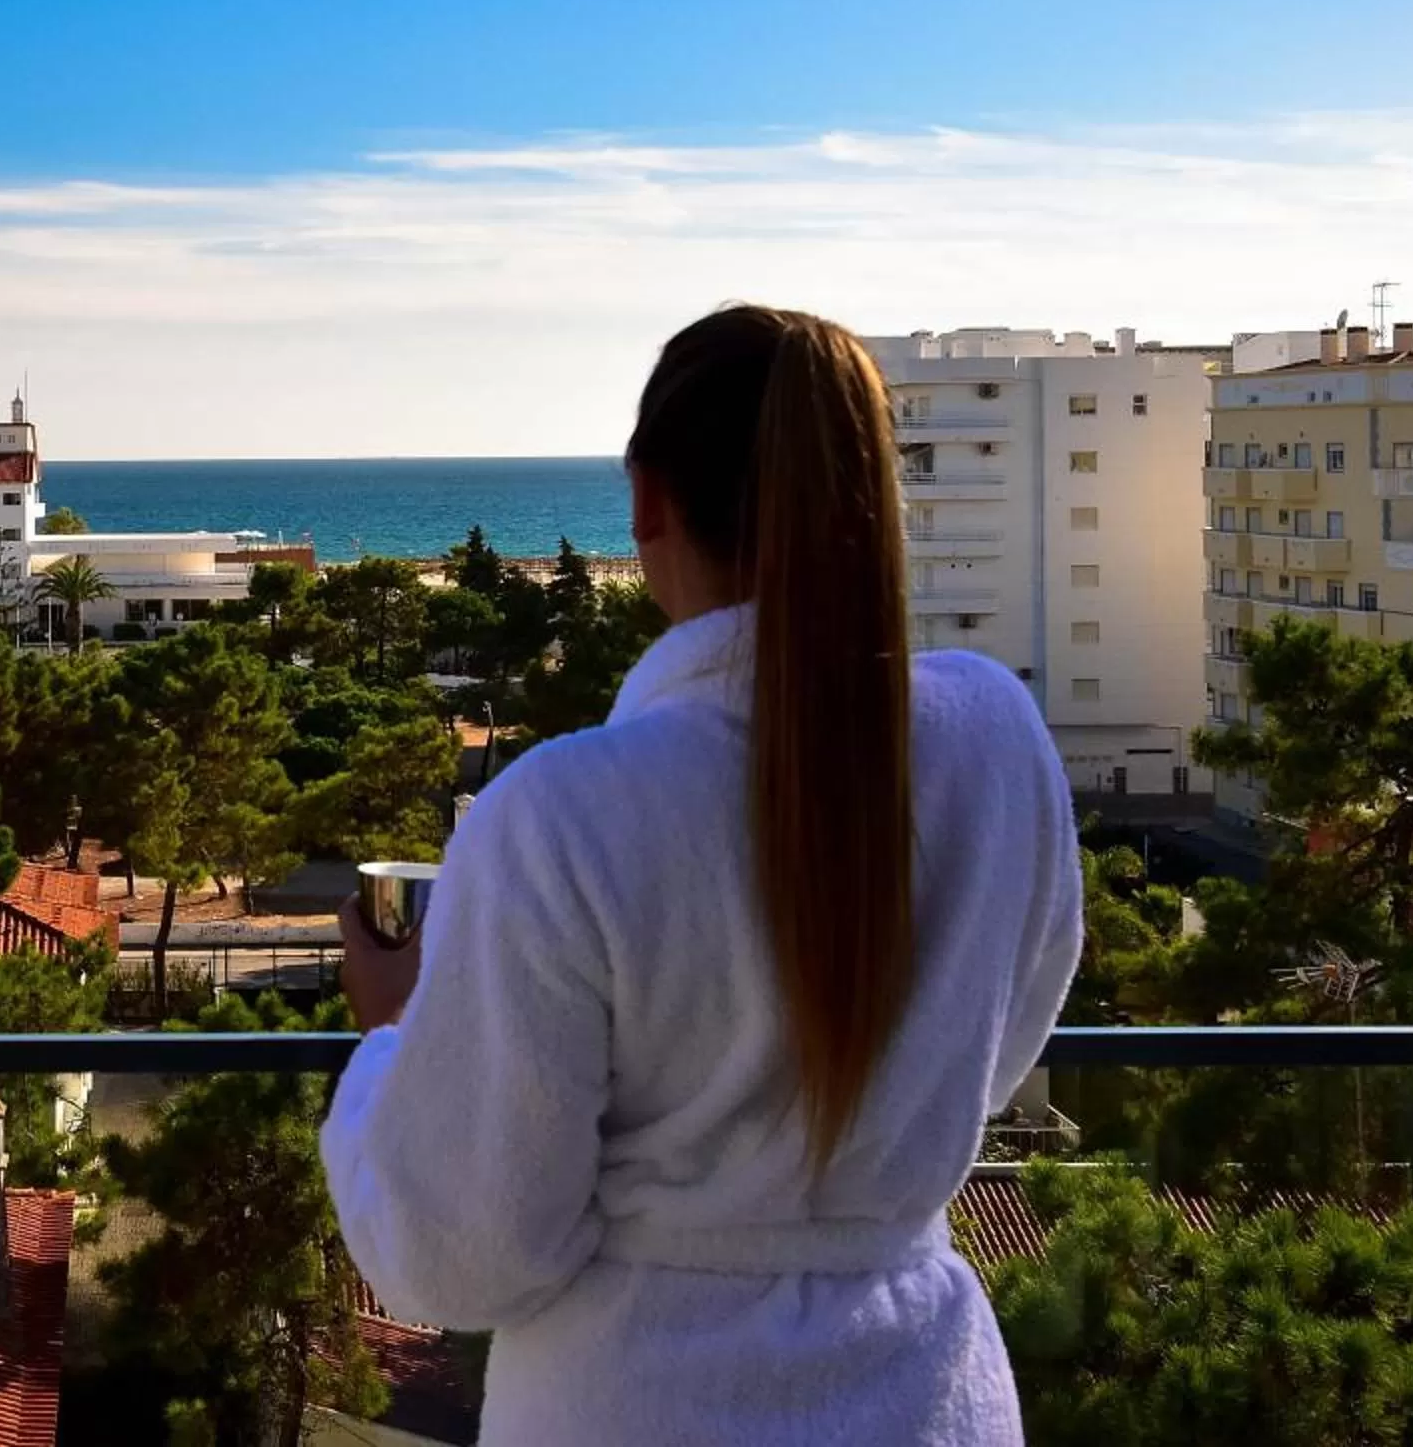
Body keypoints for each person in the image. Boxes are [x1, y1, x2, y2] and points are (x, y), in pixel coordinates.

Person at [321, 306, 1080, 1444]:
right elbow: (1000, 1037)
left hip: (635, 1400)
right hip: (924, 1395)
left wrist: (392, 1039)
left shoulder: (566, 811)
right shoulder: (995, 742)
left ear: (646, 500)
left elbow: (460, 1258)